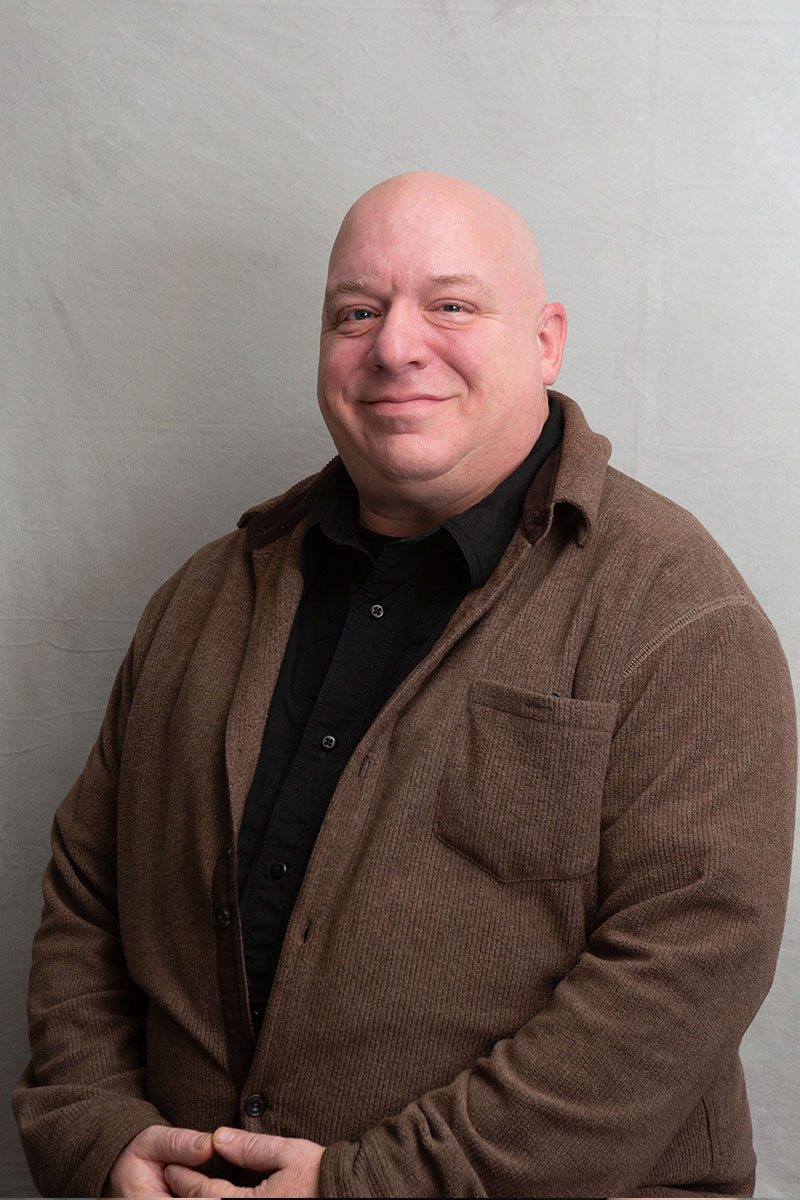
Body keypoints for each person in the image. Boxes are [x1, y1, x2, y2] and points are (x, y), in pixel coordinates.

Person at [13, 172, 796, 1199]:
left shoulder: (676, 612)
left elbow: (682, 973)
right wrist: (94, 1132)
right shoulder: (199, 600)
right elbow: (86, 894)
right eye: (357, 311)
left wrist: (375, 1186)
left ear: (545, 339)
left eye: (451, 304)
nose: (393, 347)